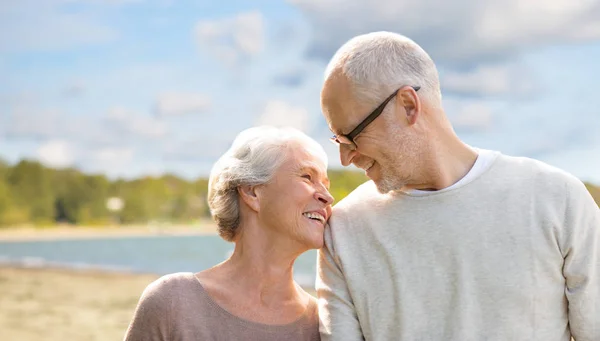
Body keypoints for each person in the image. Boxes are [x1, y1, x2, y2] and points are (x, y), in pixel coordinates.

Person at [316, 31, 600, 341]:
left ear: (409, 106)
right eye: (337, 140)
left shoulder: (558, 200)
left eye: (351, 136)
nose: (344, 158)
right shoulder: (343, 230)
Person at [124, 126, 334, 341]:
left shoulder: (323, 325)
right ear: (252, 191)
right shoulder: (173, 302)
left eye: (327, 185)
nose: (328, 197)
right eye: (307, 177)